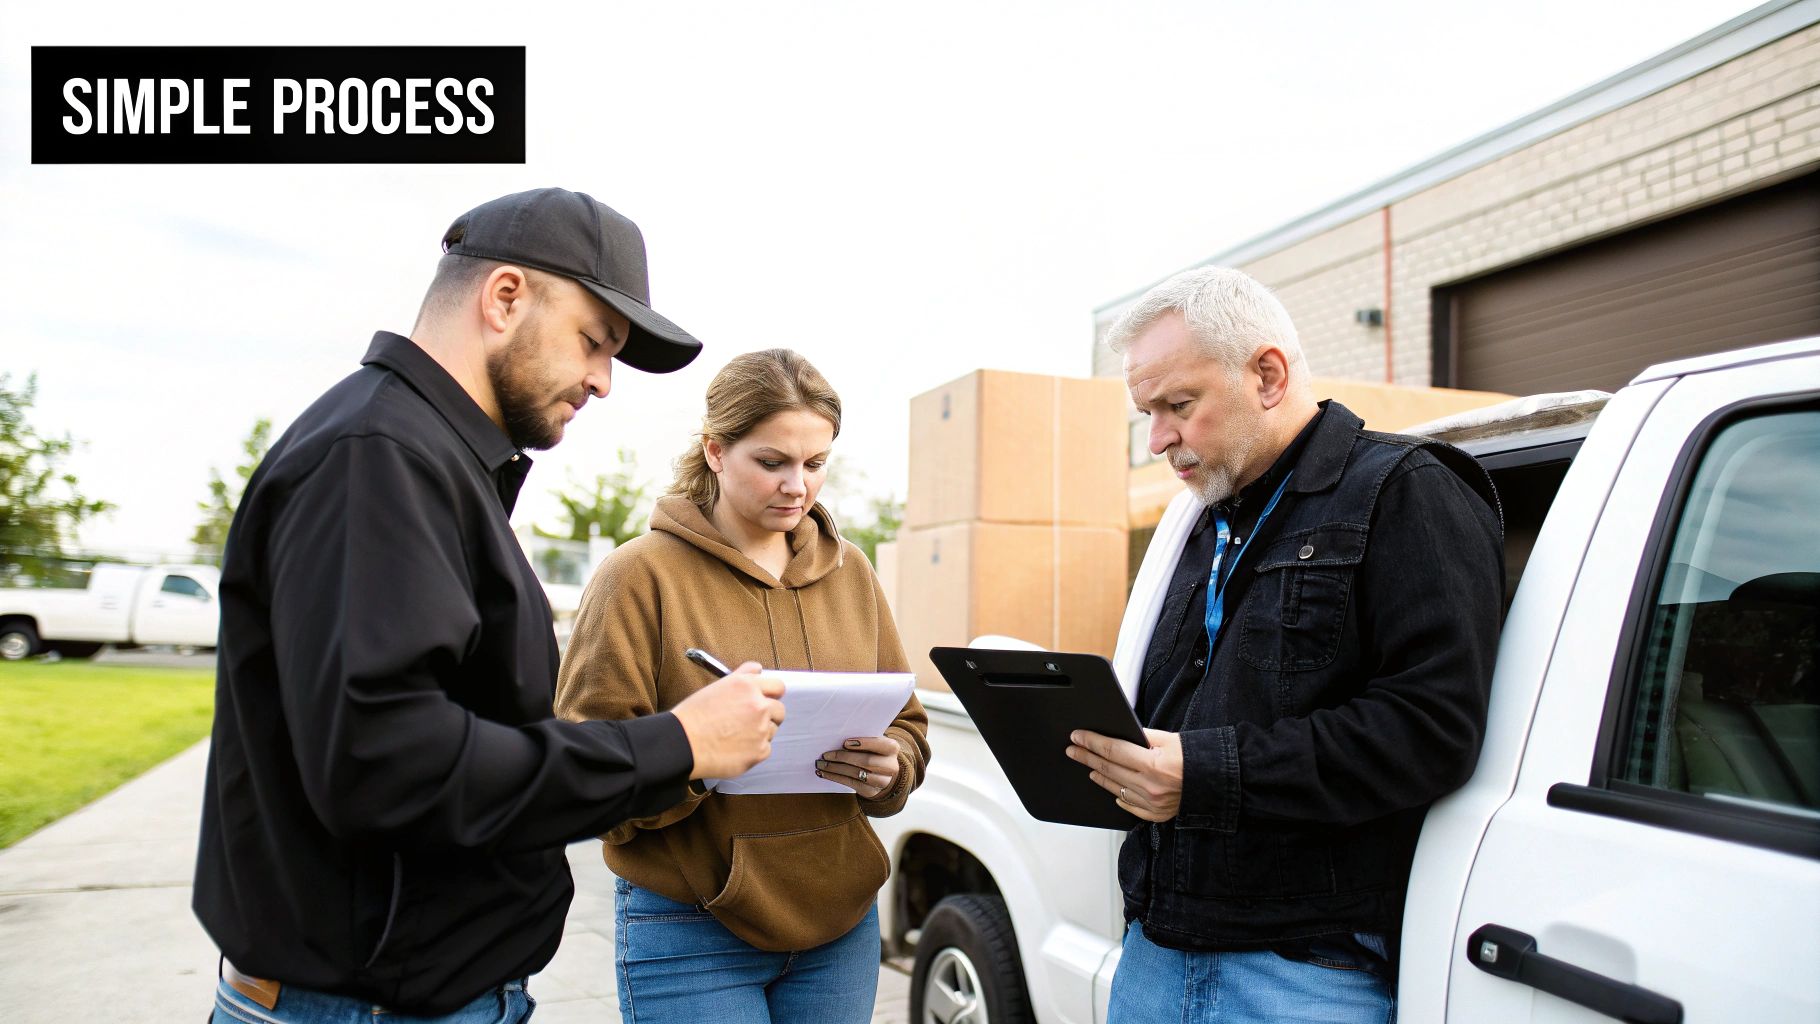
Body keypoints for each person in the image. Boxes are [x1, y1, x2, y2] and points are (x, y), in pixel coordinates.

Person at [194, 188, 789, 1024]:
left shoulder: (428, 461)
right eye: (594, 342)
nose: (603, 381)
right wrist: (677, 743)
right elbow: (387, 764)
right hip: (363, 1010)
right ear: (504, 297)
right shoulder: (378, 460)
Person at [1066, 267, 1503, 1023]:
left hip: (1300, 972)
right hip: (1154, 947)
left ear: (1267, 374)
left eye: (1177, 405)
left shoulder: (1407, 490)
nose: (1157, 439)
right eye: (1147, 412)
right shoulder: (1210, 516)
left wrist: (1203, 775)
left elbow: (1432, 730)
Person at [554, 348, 930, 1024]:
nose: (798, 486)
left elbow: (907, 723)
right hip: (690, 929)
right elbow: (582, 764)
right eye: (773, 462)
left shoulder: (854, 574)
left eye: (816, 464)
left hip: (841, 923)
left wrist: (892, 765)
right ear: (716, 451)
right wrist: (696, 752)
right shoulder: (638, 577)